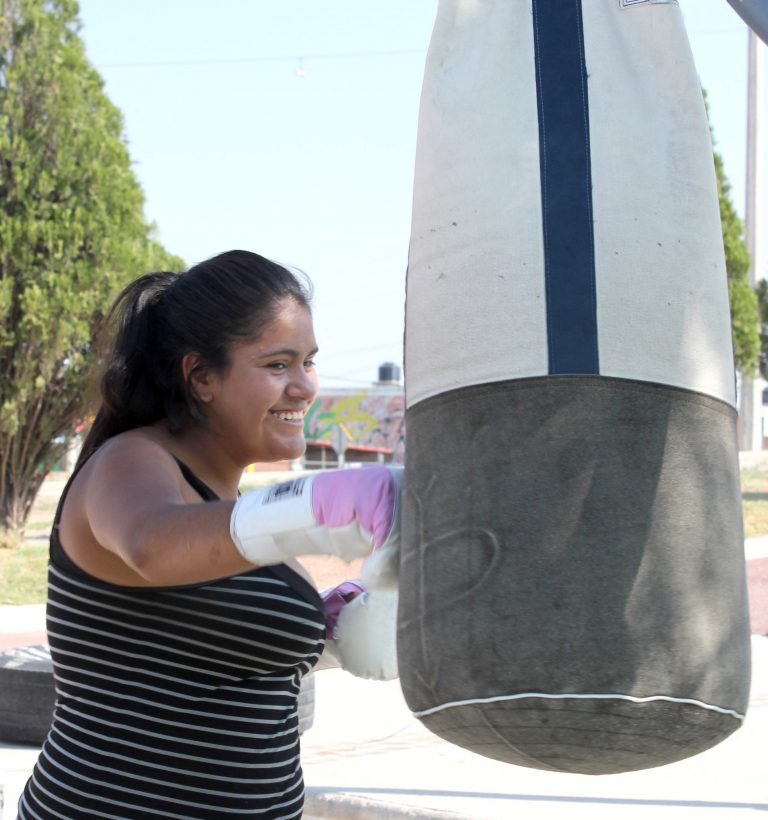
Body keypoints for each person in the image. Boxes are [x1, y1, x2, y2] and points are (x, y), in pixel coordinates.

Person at [17, 250, 400, 820]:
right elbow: (152, 543)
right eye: (278, 365)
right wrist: (320, 503)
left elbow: (190, 660)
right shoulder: (133, 461)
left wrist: (331, 632)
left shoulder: (232, 513)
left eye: (309, 362)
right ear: (201, 378)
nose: (304, 388)